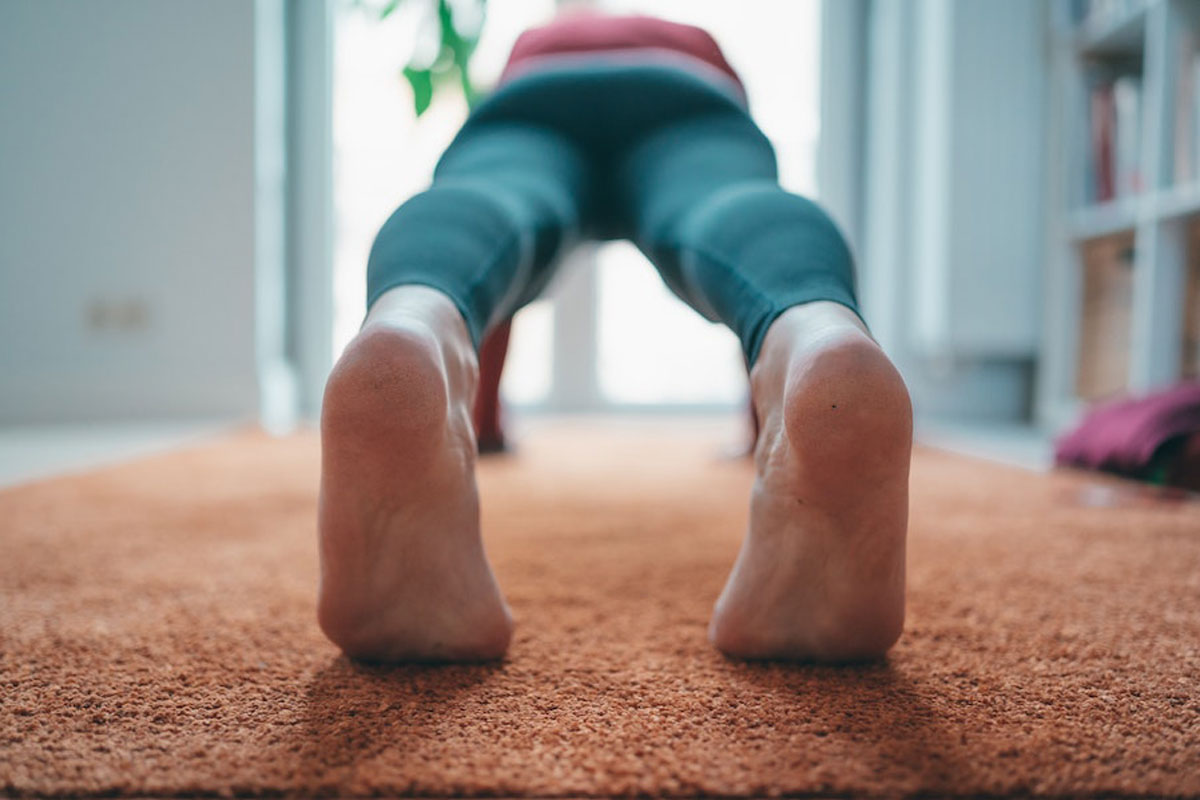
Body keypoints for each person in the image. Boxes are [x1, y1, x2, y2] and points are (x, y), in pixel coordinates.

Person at [316, 12, 913, 663]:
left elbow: (495, 315)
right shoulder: (698, 38)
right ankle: (815, 330)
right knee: (727, 202)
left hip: (533, 98)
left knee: (492, 200)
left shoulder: (533, 44)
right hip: (684, 94)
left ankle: (413, 317)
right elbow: (752, 300)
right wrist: (764, 425)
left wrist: (478, 425)